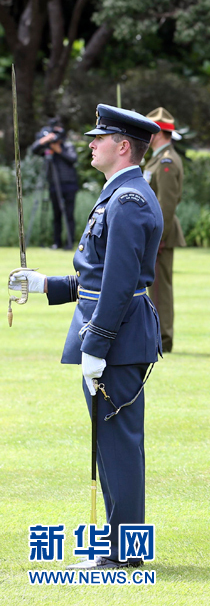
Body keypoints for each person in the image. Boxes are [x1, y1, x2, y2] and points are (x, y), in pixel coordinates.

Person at [10, 105, 163, 568]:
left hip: (115, 339)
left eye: (100, 138)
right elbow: (97, 276)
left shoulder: (129, 200)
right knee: (113, 441)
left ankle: (122, 553)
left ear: (122, 147)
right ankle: (120, 547)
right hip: (111, 334)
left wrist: (95, 346)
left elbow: (120, 285)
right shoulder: (118, 195)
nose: (90, 143)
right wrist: (43, 285)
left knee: (118, 445)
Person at [143, 107, 186, 354]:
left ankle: (162, 338)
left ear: (157, 133)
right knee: (156, 287)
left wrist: (157, 236)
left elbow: (166, 204)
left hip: (161, 234)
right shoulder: (159, 157)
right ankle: (158, 335)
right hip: (157, 232)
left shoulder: (167, 160)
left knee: (159, 289)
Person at [30, 118, 79, 250]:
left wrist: (59, 151)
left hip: (69, 184)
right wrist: (45, 140)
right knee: (56, 215)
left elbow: (73, 159)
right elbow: (34, 149)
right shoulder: (47, 146)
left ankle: (69, 243)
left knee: (69, 214)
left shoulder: (67, 146)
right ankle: (57, 243)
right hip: (54, 184)